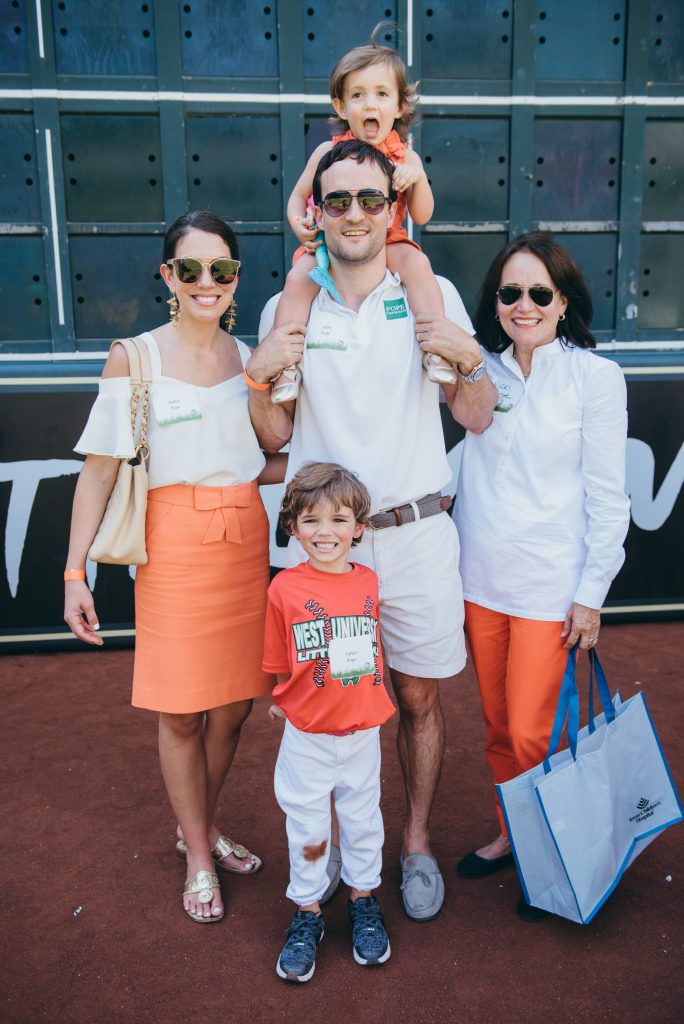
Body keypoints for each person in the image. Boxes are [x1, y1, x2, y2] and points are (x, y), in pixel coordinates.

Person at [245, 140, 498, 922]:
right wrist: (260, 374)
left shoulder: (432, 294)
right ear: (315, 213)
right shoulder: (290, 306)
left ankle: (413, 843)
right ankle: (324, 872)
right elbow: (271, 437)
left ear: (393, 211)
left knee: (418, 698)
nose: (355, 213)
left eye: (370, 199)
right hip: (326, 552)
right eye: (339, 200)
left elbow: (477, 415)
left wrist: (472, 360)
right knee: (324, 705)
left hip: (417, 534)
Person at [63, 211, 276, 924]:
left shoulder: (247, 356)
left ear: (237, 279)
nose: (206, 282)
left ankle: (203, 825)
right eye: (190, 270)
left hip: (244, 538)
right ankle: (196, 852)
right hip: (173, 546)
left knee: (236, 708)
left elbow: (269, 454)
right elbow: (96, 475)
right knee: (182, 713)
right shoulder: (136, 357)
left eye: (221, 269)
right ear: (168, 277)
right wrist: (74, 574)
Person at [452, 232, 630, 921]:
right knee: (499, 726)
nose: (522, 305)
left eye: (537, 293)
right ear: (494, 302)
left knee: (532, 733)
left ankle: (549, 850)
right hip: (479, 579)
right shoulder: (480, 375)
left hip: (550, 587)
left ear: (563, 301)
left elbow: (608, 498)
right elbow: (460, 466)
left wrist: (591, 594)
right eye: (509, 292)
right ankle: (512, 833)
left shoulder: (595, 377)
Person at [269, 25, 454, 403]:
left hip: (389, 241)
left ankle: (435, 347)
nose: (370, 105)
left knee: (419, 268)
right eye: (358, 95)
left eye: (382, 94)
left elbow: (423, 214)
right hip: (331, 241)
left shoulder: (406, 156)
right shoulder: (326, 153)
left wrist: (418, 179)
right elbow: (296, 197)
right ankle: (286, 365)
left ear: (400, 106)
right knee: (298, 279)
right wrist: (298, 222)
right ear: (340, 106)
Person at [264, 462, 395, 982]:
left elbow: (370, 647)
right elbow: (277, 656)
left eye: (339, 520)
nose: (326, 533)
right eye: (311, 521)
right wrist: (281, 697)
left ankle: (364, 899)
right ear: (293, 526)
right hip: (307, 737)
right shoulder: (284, 589)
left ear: (359, 527)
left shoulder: (368, 581)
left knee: (364, 821)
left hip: (363, 732)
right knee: (309, 826)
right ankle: (308, 911)